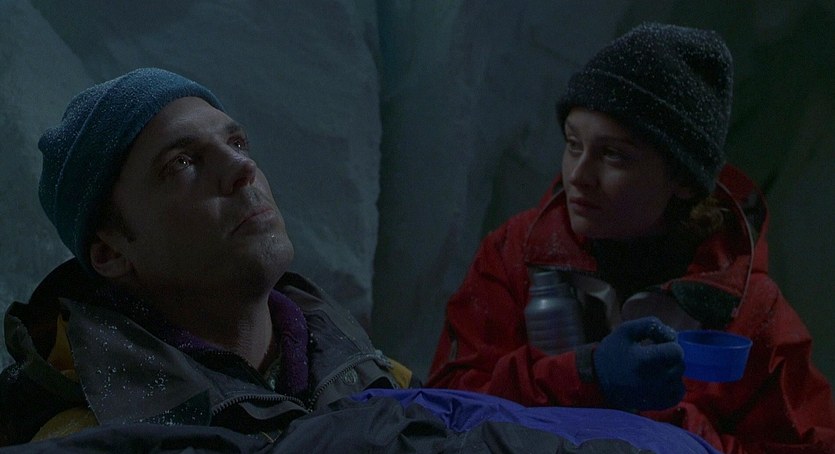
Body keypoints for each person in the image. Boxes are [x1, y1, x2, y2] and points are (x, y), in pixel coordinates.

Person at [0, 67, 724, 453]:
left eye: (238, 143)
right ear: (111, 251)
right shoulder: (91, 431)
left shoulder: (369, 376)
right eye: (182, 164)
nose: (241, 170)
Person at [427, 22, 835, 454]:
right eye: (573, 144)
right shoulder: (517, 254)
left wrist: (668, 427)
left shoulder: (745, 309)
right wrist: (586, 374)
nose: (578, 175)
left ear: (682, 178)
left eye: (614, 155)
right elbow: (443, 407)